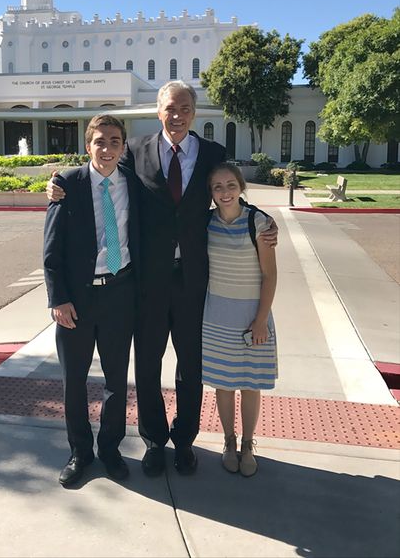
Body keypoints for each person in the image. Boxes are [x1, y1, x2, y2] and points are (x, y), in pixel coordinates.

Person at [47, 80, 277, 478]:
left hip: (193, 282)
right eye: (170, 107)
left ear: (194, 112)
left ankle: (184, 440)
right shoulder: (134, 151)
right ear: (158, 110)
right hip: (146, 282)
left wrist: (260, 219)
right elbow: (96, 173)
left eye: (185, 108)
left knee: (191, 366)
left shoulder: (212, 154)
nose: (177, 115)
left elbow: (228, 192)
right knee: (148, 365)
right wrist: (57, 183)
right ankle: (154, 441)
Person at [43, 114, 140, 487]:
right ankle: (80, 452)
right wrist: (59, 298)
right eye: (100, 141)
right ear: (88, 146)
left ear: (123, 146)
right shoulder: (67, 183)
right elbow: (51, 251)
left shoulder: (133, 183)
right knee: (74, 382)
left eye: (115, 141)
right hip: (77, 300)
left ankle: (111, 450)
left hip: (120, 292)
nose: (107, 148)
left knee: (116, 380)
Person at [202, 163, 278, 477]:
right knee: (223, 384)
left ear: (241, 186)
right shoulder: (204, 223)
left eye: (231, 185)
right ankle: (228, 441)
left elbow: (270, 276)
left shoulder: (259, 223)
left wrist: (260, 320)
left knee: (250, 385)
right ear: (211, 193)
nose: (225, 192)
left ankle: (248, 443)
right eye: (217, 187)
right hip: (217, 315)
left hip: (252, 316)